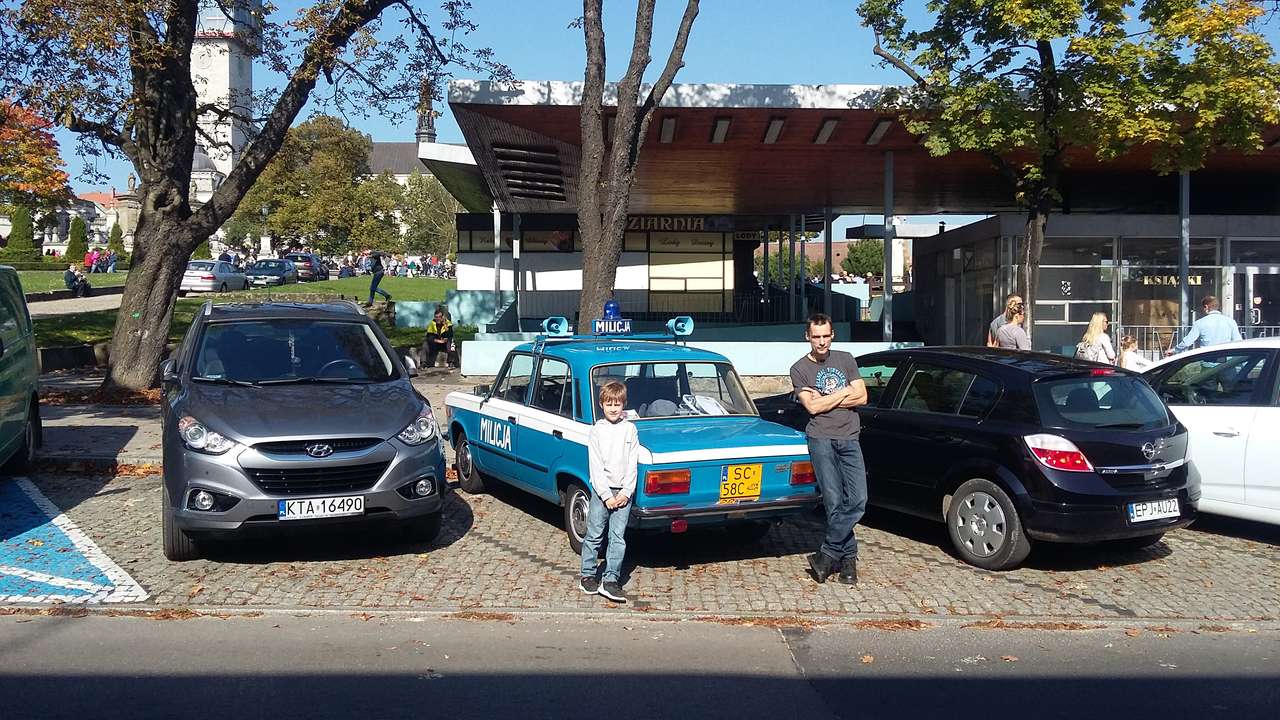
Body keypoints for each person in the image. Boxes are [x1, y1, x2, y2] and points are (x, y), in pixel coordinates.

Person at [790, 313, 868, 585]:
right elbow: (812, 407)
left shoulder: (846, 359)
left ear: (832, 335)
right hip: (821, 438)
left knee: (858, 500)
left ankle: (826, 554)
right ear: (807, 337)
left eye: (826, 336)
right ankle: (848, 564)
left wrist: (826, 398)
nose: (821, 342)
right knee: (834, 503)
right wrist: (843, 393)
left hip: (849, 437)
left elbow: (863, 395)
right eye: (816, 337)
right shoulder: (799, 369)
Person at [579, 381, 639, 603]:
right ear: (601, 405)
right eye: (609, 404)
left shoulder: (630, 429)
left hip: (623, 491)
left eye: (617, 404)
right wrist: (606, 496)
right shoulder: (597, 431)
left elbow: (633, 463)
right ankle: (587, 574)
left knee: (617, 537)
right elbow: (595, 467)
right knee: (594, 534)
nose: (613, 408)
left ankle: (611, 579)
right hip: (602, 491)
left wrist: (626, 492)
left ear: (624, 404)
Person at [1167, 295, 1242, 356]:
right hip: (1227, 360)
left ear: (1206, 307)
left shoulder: (1200, 323)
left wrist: (1175, 350)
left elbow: (1188, 341)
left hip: (1208, 359)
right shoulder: (1230, 321)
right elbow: (1238, 341)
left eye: (1203, 307)